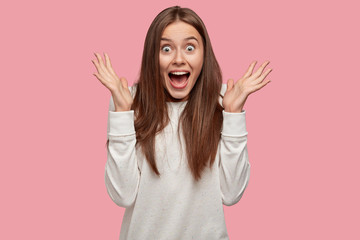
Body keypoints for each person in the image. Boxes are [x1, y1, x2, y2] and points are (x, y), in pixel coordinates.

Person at [92, 5, 272, 240]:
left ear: (203, 54)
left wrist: (233, 114)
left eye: (190, 48)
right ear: (151, 56)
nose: (178, 59)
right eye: (166, 48)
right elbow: (122, 195)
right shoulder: (130, 102)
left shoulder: (223, 100)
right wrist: (122, 113)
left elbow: (231, 194)